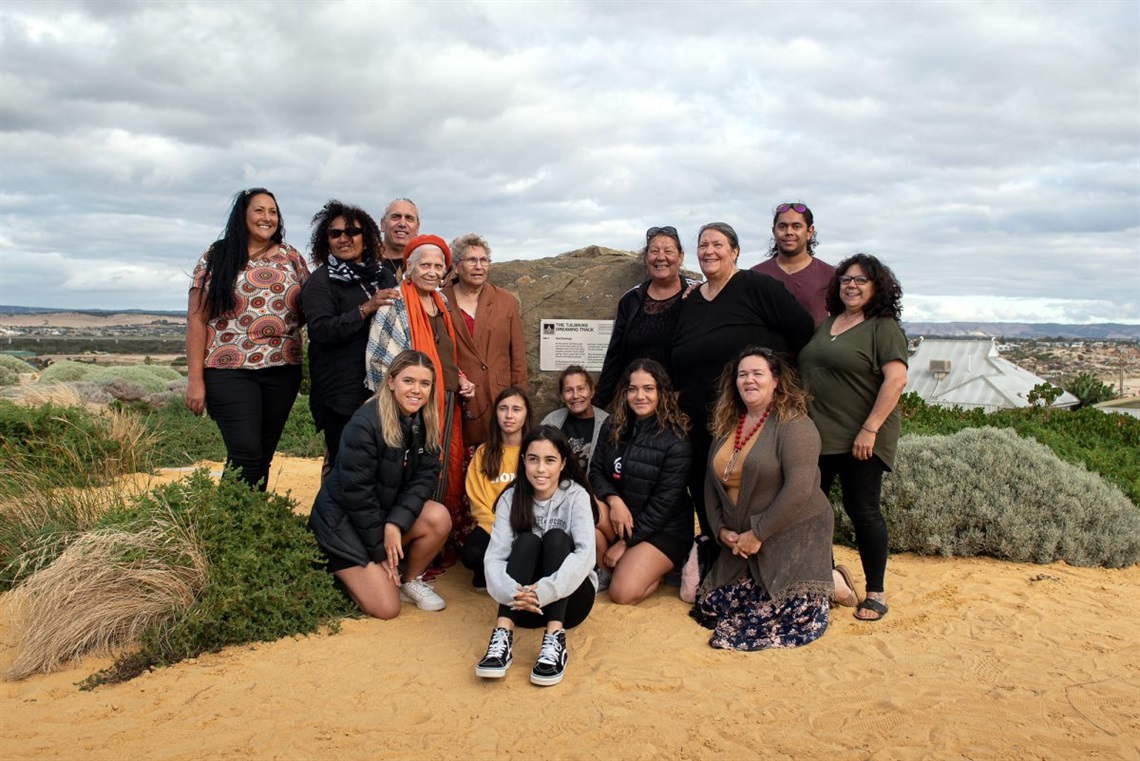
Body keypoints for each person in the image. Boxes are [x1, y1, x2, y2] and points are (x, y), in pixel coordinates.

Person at [671, 222, 815, 537]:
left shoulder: (756, 286)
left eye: (717, 244)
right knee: (706, 486)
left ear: (735, 251)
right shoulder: (692, 300)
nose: (709, 251)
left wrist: (776, 382)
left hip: (751, 415)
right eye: (703, 245)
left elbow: (802, 330)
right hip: (699, 418)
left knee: (756, 488)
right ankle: (719, 551)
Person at [692, 346, 834, 650]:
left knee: (768, 620)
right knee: (712, 606)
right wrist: (720, 531)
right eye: (743, 374)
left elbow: (799, 489)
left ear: (776, 381)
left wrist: (758, 534)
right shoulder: (729, 424)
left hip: (788, 535)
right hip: (740, 542)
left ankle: (829, 582)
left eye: (758, 373)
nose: (749, 380)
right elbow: (710, 483)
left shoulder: (795, 425)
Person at [798, 254, 908, 622]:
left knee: (862, 510)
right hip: (820, 435)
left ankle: (875, 593)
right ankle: (828, 579)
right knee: (811, 510)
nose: (852, 285)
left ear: (877, 286)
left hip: (863, 437)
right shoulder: (827, 324)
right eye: (846, 279)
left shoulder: (882, 327)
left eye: (861, 280)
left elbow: (896, 381)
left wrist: (870, 428)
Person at [308, 350, 451, 617]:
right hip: (343, 523)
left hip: (382, 516)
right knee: (387, 608)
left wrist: (395, 523)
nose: (416, 390)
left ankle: (408, 580)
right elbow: (358, 497)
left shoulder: (427, 421)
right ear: (391, 381)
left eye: (425, 383)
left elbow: (424, 480)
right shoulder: (365, 423)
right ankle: (343, 570)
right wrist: (380, 550)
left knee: (438, 517)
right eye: (409, 381)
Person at [185, 188, 308, 490]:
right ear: (242, 215)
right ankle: (227, 528)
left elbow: (310, 305)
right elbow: (197, 319)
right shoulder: (217, 256)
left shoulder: (290, 256)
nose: (267, 218)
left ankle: (250, 527)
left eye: (273, 212)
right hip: (229, 368)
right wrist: (194, 380)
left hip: (283, 369)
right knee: (245, 453)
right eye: (259, 210)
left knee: (262, 456)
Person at [364, 234, 476, 567]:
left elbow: (445, 355)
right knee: (409, 473)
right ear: (409, 268)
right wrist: (402, 403)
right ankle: (399, 551)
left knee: (436, 473)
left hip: (444, 401)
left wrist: (459, 380)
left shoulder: (441, 302)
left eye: (438, 265)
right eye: (424, 265)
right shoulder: (396, 301)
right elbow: (378, 361)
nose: (431, 271)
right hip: (410, 403)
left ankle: (429, 550)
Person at [475, 426, 598, 687]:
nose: (540, 469)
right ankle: (502, 636)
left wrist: (545, 590)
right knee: (528, 541)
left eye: (550, 460)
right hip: (522, 607)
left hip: (569, 606)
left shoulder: (576, 496)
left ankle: (555, 641)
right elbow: (494, 557)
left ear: (563, 463)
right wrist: (514, 593)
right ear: (523, 461)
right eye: (533, 459)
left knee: (556, 538)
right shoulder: (511, 496)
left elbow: (586, 555)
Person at [302, 200, 400, 468]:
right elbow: (321, 331)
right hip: (340, 396)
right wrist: (365, 309)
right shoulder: (320, 282)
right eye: (335, 234)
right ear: (326, 240)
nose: (344, 239)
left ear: (366, 237)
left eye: (352, 232)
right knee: (346, 469)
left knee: (383, 465)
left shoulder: (383, 277)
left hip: (381, 390)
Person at [589, 359, 693, 605]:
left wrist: (626, 543)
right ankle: (613, 567)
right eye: (633, 389)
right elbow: (595, 472)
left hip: (663, 529)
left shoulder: (676, 439)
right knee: (586, 509)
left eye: (648, 388)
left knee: (622, 594)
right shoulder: (612, 425)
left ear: (661, 392)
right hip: (622, 516)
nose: (640, 396)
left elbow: (663, 506)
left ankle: (652, 568)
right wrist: (614, 501)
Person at [442, 233, 529, 449]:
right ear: (455, 265)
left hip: (499, 396)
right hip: (459, 397)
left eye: (484, 260)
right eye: (471, 260)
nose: (479, 266)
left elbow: (517, 355)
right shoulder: (442, 300)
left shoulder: (505, 300)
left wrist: (520, 399)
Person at [595, 226, 696, 409]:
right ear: (646, 257)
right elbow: (615, 356)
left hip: (681, 404)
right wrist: (599, 405)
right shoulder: (631, 300)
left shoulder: (695, 295)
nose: (660, 257)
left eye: (668, 251)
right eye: (654, 251)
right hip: (637, 403)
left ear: (680, 256)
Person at [462, 386, 533, 589]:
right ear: (496, 414)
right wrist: (500, 529)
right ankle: (485, 575)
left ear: (526, 414)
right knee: (472, 553)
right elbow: (476, 499)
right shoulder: (484, 452)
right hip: (491, 525)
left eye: (516, 409)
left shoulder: (534, 451)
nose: (509, 415)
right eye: (503, 409)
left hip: (526, 524)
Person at [750, 202, 836, 326]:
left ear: (809, 231)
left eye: (796, 226)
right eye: (782, 226)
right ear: (774, 231)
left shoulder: (830, 275)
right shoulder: (755, 275)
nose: (789, 232)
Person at [540, 366, 609, 474]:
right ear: (562, 396)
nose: (575, 396)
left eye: (581, 389)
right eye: (568, 390)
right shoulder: (552, 421)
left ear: (591, 391)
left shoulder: (607, 423)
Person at [378, 198, 420, 280]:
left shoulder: (426, 263)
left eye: (409, 218)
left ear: (417, 228)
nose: (402, 224)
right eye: (395, 217)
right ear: (382, 224)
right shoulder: (365, 261)